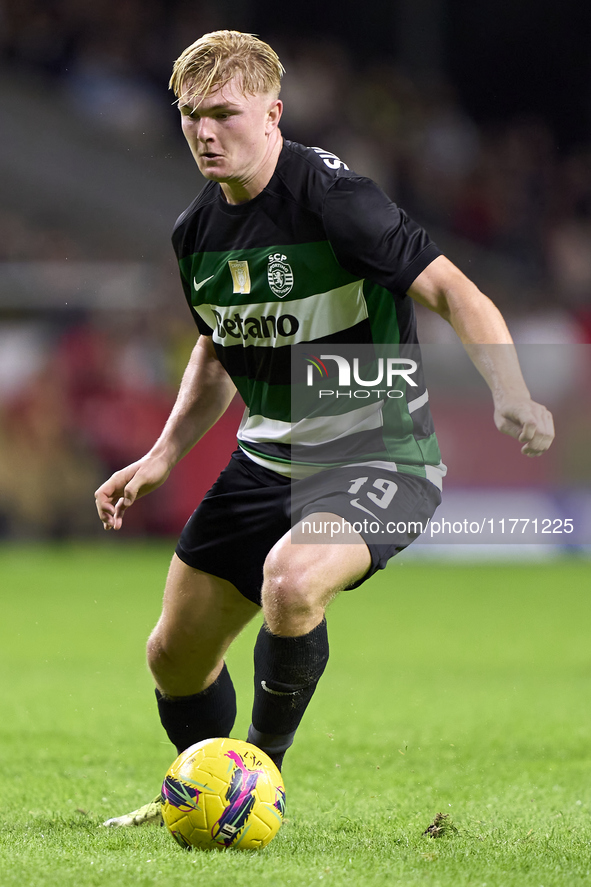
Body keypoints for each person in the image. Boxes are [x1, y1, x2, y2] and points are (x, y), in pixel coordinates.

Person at [95, 30, 554, 827]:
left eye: (224, 114)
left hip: (380, 451)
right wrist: (164, 452)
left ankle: (255, 780)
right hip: (266, 454)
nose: (205, 133)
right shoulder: (195, 232)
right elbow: (217, 344)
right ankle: (203, 781)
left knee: (291, 578)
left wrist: (508, 390)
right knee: (171, 655)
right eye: (189, 117)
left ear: (273, 114)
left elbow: (451, 289)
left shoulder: (333, 197)